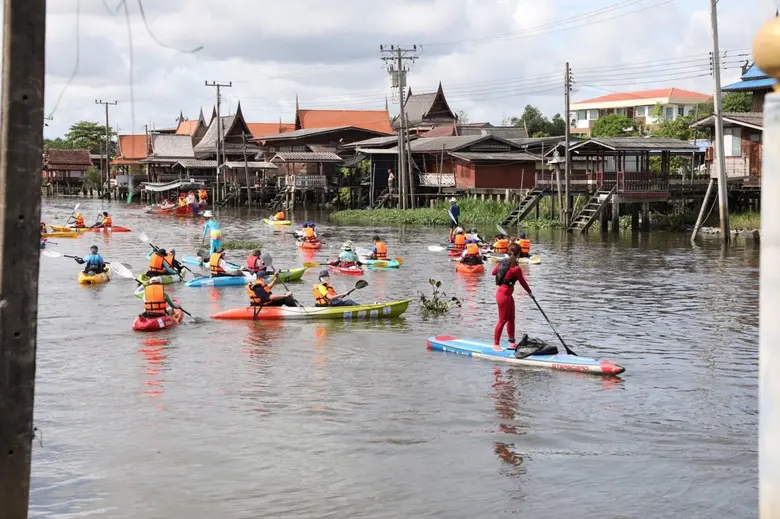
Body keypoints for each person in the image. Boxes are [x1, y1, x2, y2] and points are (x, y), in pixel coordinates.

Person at [492, 243, 532, 351]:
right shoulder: (516, 268)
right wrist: (530, 292)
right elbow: (522, 282)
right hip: (503, 295)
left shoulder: (503, 262)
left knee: (511, 319)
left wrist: (502, 266)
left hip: (507, 295)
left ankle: (511, 342)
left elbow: (493, 272)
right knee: (502, 320)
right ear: (518, 254)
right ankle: (496, 345)